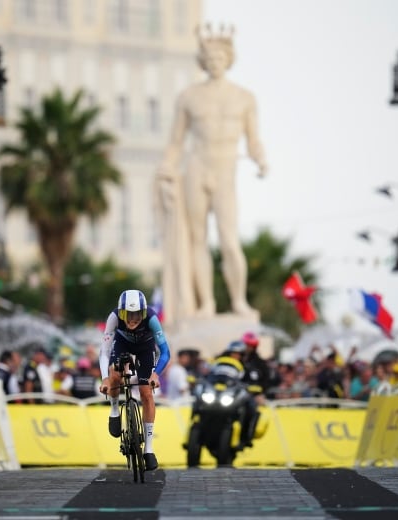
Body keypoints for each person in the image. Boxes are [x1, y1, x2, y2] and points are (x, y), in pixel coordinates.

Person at [156, 23, 267, 322]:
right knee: (197, 239)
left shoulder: (245, 97)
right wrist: (167, 169)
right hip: (196, 167)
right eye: (210, 58)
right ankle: (205, 303)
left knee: (230, 240)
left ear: (228, 59)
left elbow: (253, 138)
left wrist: (260, 158)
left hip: (225, 169)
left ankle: (239, 301)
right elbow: (175, 142)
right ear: (203, 61)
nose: (215, 63)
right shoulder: (189, 97)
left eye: (220, 58)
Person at [99, 289, 171, 471]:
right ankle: (115, 409)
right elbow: (104, 351)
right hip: (122, 344)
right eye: (128, 315)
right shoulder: (114, 317)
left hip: (146, 348)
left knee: (147, 393)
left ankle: (148, 449)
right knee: (115, 374)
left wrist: (156, 374)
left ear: (144, 312)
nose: (132, 319)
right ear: (121, 313)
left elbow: (166, 352)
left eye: (137, 315)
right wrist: (105, 379)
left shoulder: (153, 319)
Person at [208, 340, 259, 448]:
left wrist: (252, 387)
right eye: (233, 353)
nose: (235, 356)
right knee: (198, 401)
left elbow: (252, 382)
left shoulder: (246, 368)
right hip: (218, 394)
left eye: (238, 354)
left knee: (251, 407)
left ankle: (245, 437)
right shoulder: (219, 364)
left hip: (235, 395)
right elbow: (208, 375)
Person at [240, 332, 271, 400]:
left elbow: (265, 380)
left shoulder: (260, 363)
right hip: (235, 393)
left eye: (250, 346)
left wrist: (261, 393)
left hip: (253, 395)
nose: (247, 348)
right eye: (246, 345)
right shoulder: (236, 360)